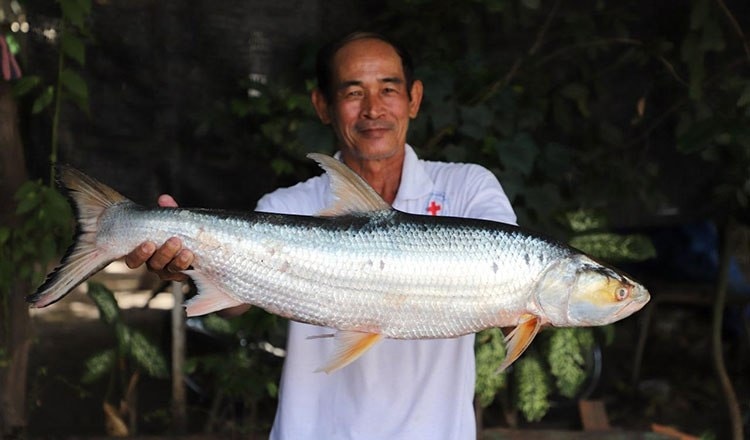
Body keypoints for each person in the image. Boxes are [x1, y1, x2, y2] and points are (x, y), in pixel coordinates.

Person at [125, 31, 516, 439]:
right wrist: (191, 266)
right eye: (353, 93)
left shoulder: (470, 188)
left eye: (388, 89)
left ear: (414, 99)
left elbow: (514, 285)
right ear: (322, 106)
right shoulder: (286, 205)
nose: (373, 109)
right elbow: (235, 303)